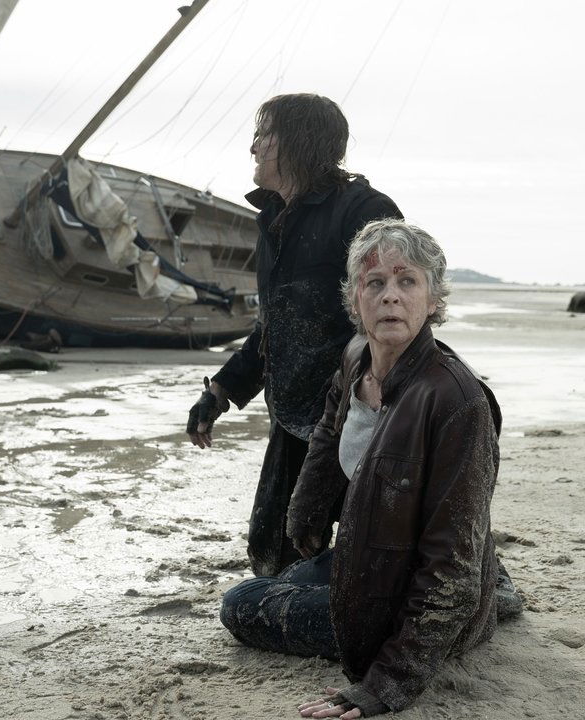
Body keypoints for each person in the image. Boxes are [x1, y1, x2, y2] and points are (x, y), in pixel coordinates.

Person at [220, 220, 519, 718]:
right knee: (285, 576)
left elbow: (449, 568)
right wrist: (306, 514)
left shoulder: (457, 402)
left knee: (241, 603)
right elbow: (328, 432)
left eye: (407, 281)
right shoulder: (356, 357)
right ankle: (495, 591)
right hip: (368, 559)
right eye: (374, 282)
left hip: (412, 600)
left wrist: (386, 685)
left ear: (433, 300)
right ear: (355, 298)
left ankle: (488, 604)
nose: (390, 296)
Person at [187, 94, 402, 577]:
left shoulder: (364, 211)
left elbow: (398, 314)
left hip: (355, 413)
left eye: (264, 136)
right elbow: (275, 325)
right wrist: (221, 390)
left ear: (298, 143)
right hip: (292, 412)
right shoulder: (274, 219)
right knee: (271, 555)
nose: (253, 148)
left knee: (382, 553)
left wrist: (377, 395)